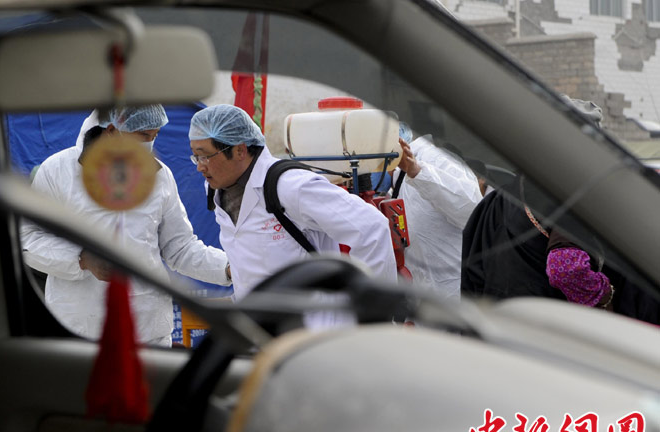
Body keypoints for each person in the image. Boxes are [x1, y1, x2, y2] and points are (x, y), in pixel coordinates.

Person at [20, 104, 231, 347]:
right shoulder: (57, 171)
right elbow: (28, 240)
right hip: (80, 331)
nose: (150, 144)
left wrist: (229, 268)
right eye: (144, 136)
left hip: (148, 330)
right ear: (112, 130)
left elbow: (180, 247)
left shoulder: (159, 175)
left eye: (155, 136)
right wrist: (82, 259)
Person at [188, 104, 397, 300]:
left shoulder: (290, 186)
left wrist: (371, 313)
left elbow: (371, 227)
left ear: (240, 150)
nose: (199, 166)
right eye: (195, 157)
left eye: (204, 156)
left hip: (312, 321)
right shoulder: (217, 190)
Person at [460, 97, 616, 309]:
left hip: (497, 319)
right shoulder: (571, 196)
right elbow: (565, 269)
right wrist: (605, 294)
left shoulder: (503, 195)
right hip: (546, 322)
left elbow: (473, 273)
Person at [393, 126, 483, 301]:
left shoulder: (439, 159)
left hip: (453, 295)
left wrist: (418, 172)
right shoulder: (400, 174)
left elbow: (471, 209)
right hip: (424, 297)